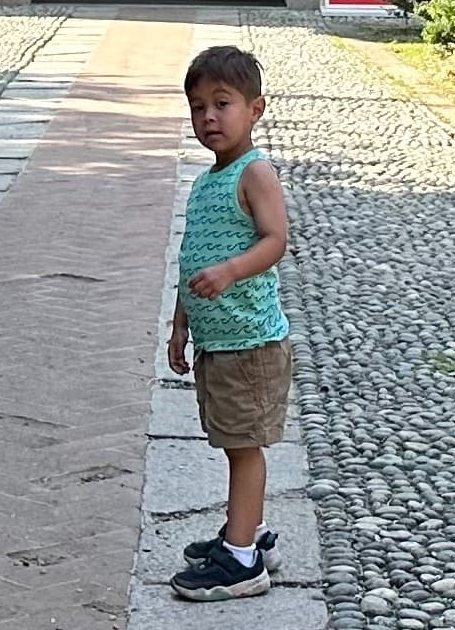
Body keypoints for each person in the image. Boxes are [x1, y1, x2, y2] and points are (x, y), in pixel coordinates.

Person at [167, 43, 292, 602]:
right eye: (198, 108)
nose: (209, 117)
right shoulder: (204, 182)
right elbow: (191, 256)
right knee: (229, 441)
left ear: (255, 109)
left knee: (243, 448)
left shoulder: (254, 172)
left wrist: (231, 271)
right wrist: (180, 324)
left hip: (251, 343)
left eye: (222, 103)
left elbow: (276, 240)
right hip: (218, 341)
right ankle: (251, 531)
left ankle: (242, 561)